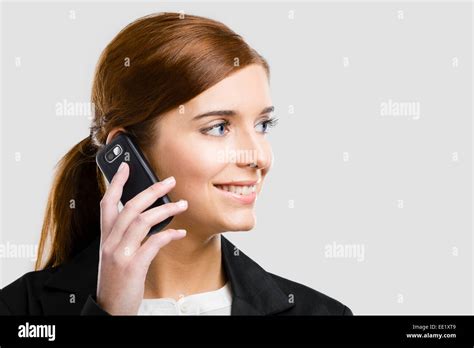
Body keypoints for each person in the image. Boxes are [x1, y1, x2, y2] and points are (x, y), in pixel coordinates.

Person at [0, 12, 353, 316]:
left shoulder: (323, 313)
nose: (258, 157)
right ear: (126, 153)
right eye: (218, 128)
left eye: (262, 125)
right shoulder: (21, 309)